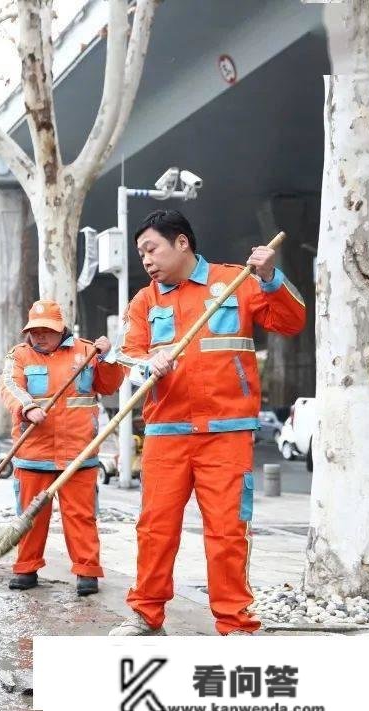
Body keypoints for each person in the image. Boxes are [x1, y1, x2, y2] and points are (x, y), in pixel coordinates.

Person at [109, 209, 306, 636]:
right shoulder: (145, 301)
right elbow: (127, 354)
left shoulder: (235, 281)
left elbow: (291, 321)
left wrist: (271, 277)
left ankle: (235, 624)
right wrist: (148, 361)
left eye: (151, 249)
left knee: (227, 532)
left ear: (181, 242)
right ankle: (146, 614)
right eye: (140, 253)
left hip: (227, 433)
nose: (146, 260)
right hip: (167, 433)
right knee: (155, 528)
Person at [0, 299, 124, 597]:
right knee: (30, 515)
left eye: (47, 330)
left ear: (61, 329)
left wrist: (107, 358)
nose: (40, 336)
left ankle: (87, 572)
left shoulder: (86, 350)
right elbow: (9, 387)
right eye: (35, 330)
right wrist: (27, 408)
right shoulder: (19, 356)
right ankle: (26, 568)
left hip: (79, 453)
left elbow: (109, 386)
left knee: (81, 516)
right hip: (34, 453)